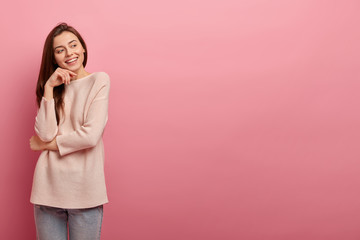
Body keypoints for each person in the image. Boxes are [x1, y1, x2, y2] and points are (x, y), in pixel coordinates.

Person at [29, 22, 110, 240]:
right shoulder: (53, 88)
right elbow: (45, 133)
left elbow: (90, 136)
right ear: (53, 58)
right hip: (47, 190)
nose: (69, 53)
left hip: (85, 192)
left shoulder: (99, 80)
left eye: (73, 45)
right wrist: (48, 88)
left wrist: (45, 146)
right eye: (60, 50)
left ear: (83, 48)